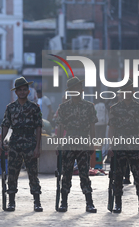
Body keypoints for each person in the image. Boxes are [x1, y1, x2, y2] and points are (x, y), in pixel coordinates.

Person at [0, 77, 43, 212]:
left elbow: (39, 128)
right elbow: (5, 125)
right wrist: (1, 141)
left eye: (25, 90)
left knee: (33, 173)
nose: (22, 92)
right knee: (12, 173)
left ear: (28, 91)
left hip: (30, 142)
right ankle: (11, 202)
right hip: (15, 143)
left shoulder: (34, 107)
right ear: (16, 92)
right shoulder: (10, 108)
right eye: (20, 90)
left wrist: (37, 147)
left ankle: (37, 202)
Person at [108, 79, 139, 214]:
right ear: (121, 93)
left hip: (134, 144)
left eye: (129, 91)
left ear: (133, 92)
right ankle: (117, 204)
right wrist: (110, 146)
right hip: (119, 144)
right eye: (124, 91)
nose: (127, 93)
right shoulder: (115, 108)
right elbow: (112, 129)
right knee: (118, 176)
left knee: (138, 176)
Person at [56, 77, 98, 213]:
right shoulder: (63, 107)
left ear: (82, 89)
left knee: (84, 173)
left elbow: (92, 126)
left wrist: (92, 142)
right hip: (68, 142)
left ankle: (89, 202)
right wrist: (58, 144)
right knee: (66, 173)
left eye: (78, 88)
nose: (76, 90)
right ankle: (64, 202)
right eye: (73, 89)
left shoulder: (89, 106)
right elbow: (61, 127)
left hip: (84, 142)